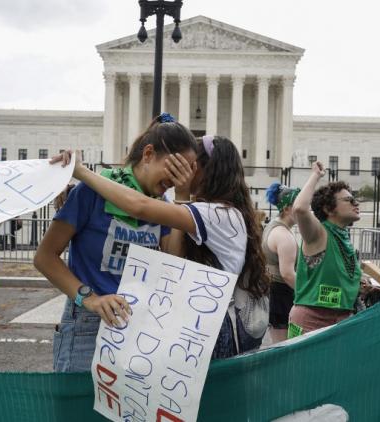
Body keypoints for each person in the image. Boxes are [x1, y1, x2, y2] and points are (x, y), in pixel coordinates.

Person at [56, 134, 270, 358]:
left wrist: (82, 172)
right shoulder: (216, 212)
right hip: (198, 330)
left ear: (204, 170)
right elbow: (174, 258)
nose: (178, 172)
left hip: (212, 332)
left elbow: (139, 205)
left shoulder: (218, 214)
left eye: (188, 166)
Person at [34, 114, 198, 373]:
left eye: (187, 171)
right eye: (175, 167)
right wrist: (89, 299)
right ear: (147, 154)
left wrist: (181, 196)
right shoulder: (90, 193)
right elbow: (45, 257)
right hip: (88, 324)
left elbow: (173, 264)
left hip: (139, 323)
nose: (178, 178)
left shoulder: (163, 207)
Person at [288, 161, 365, 338]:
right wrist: (316, 175)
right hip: (312, 320)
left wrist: (361, 286)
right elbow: (300, 208)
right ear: (328, 208)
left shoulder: (343, 236)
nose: (356, 203)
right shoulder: (319, 233)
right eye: (349, 200)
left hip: (341, 319)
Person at [263, 182, 300, 343]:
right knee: (284, 348)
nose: (304, 209)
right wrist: (308, 293)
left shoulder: (272, 226)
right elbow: (288, 274)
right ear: (287, 209)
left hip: (275, 293)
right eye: (299, 206)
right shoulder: (283, 235)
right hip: (282, 296)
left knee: (280, 346)